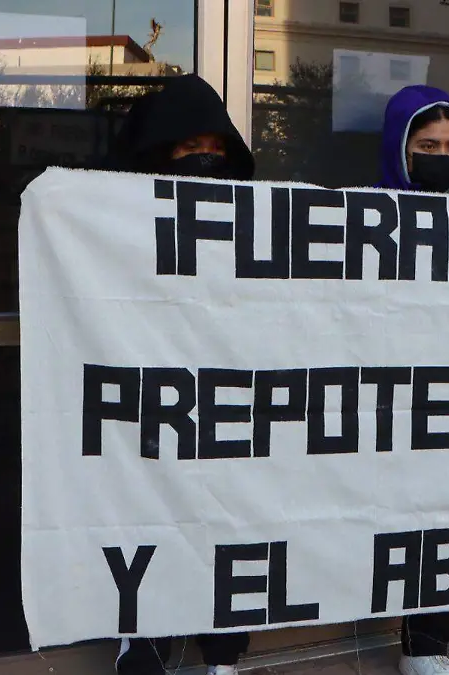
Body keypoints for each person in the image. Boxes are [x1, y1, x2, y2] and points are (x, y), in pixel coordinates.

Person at [106, 73, 255, 675]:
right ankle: (144, 641)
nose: (207, 160)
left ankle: (223, 649)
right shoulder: (115, 223)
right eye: (191, 148)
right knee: (148, 514)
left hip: (229, 400)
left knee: (228, 517)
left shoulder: (253, 218)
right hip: (149, 400)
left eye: (218, 149)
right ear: (159, 154)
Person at [369, 84, 449, 675]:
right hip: (377, 396)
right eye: (427, 143)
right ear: (401, 147)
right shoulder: (360, 217)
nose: (441, 153)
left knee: (435, 519)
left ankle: (425, 645)